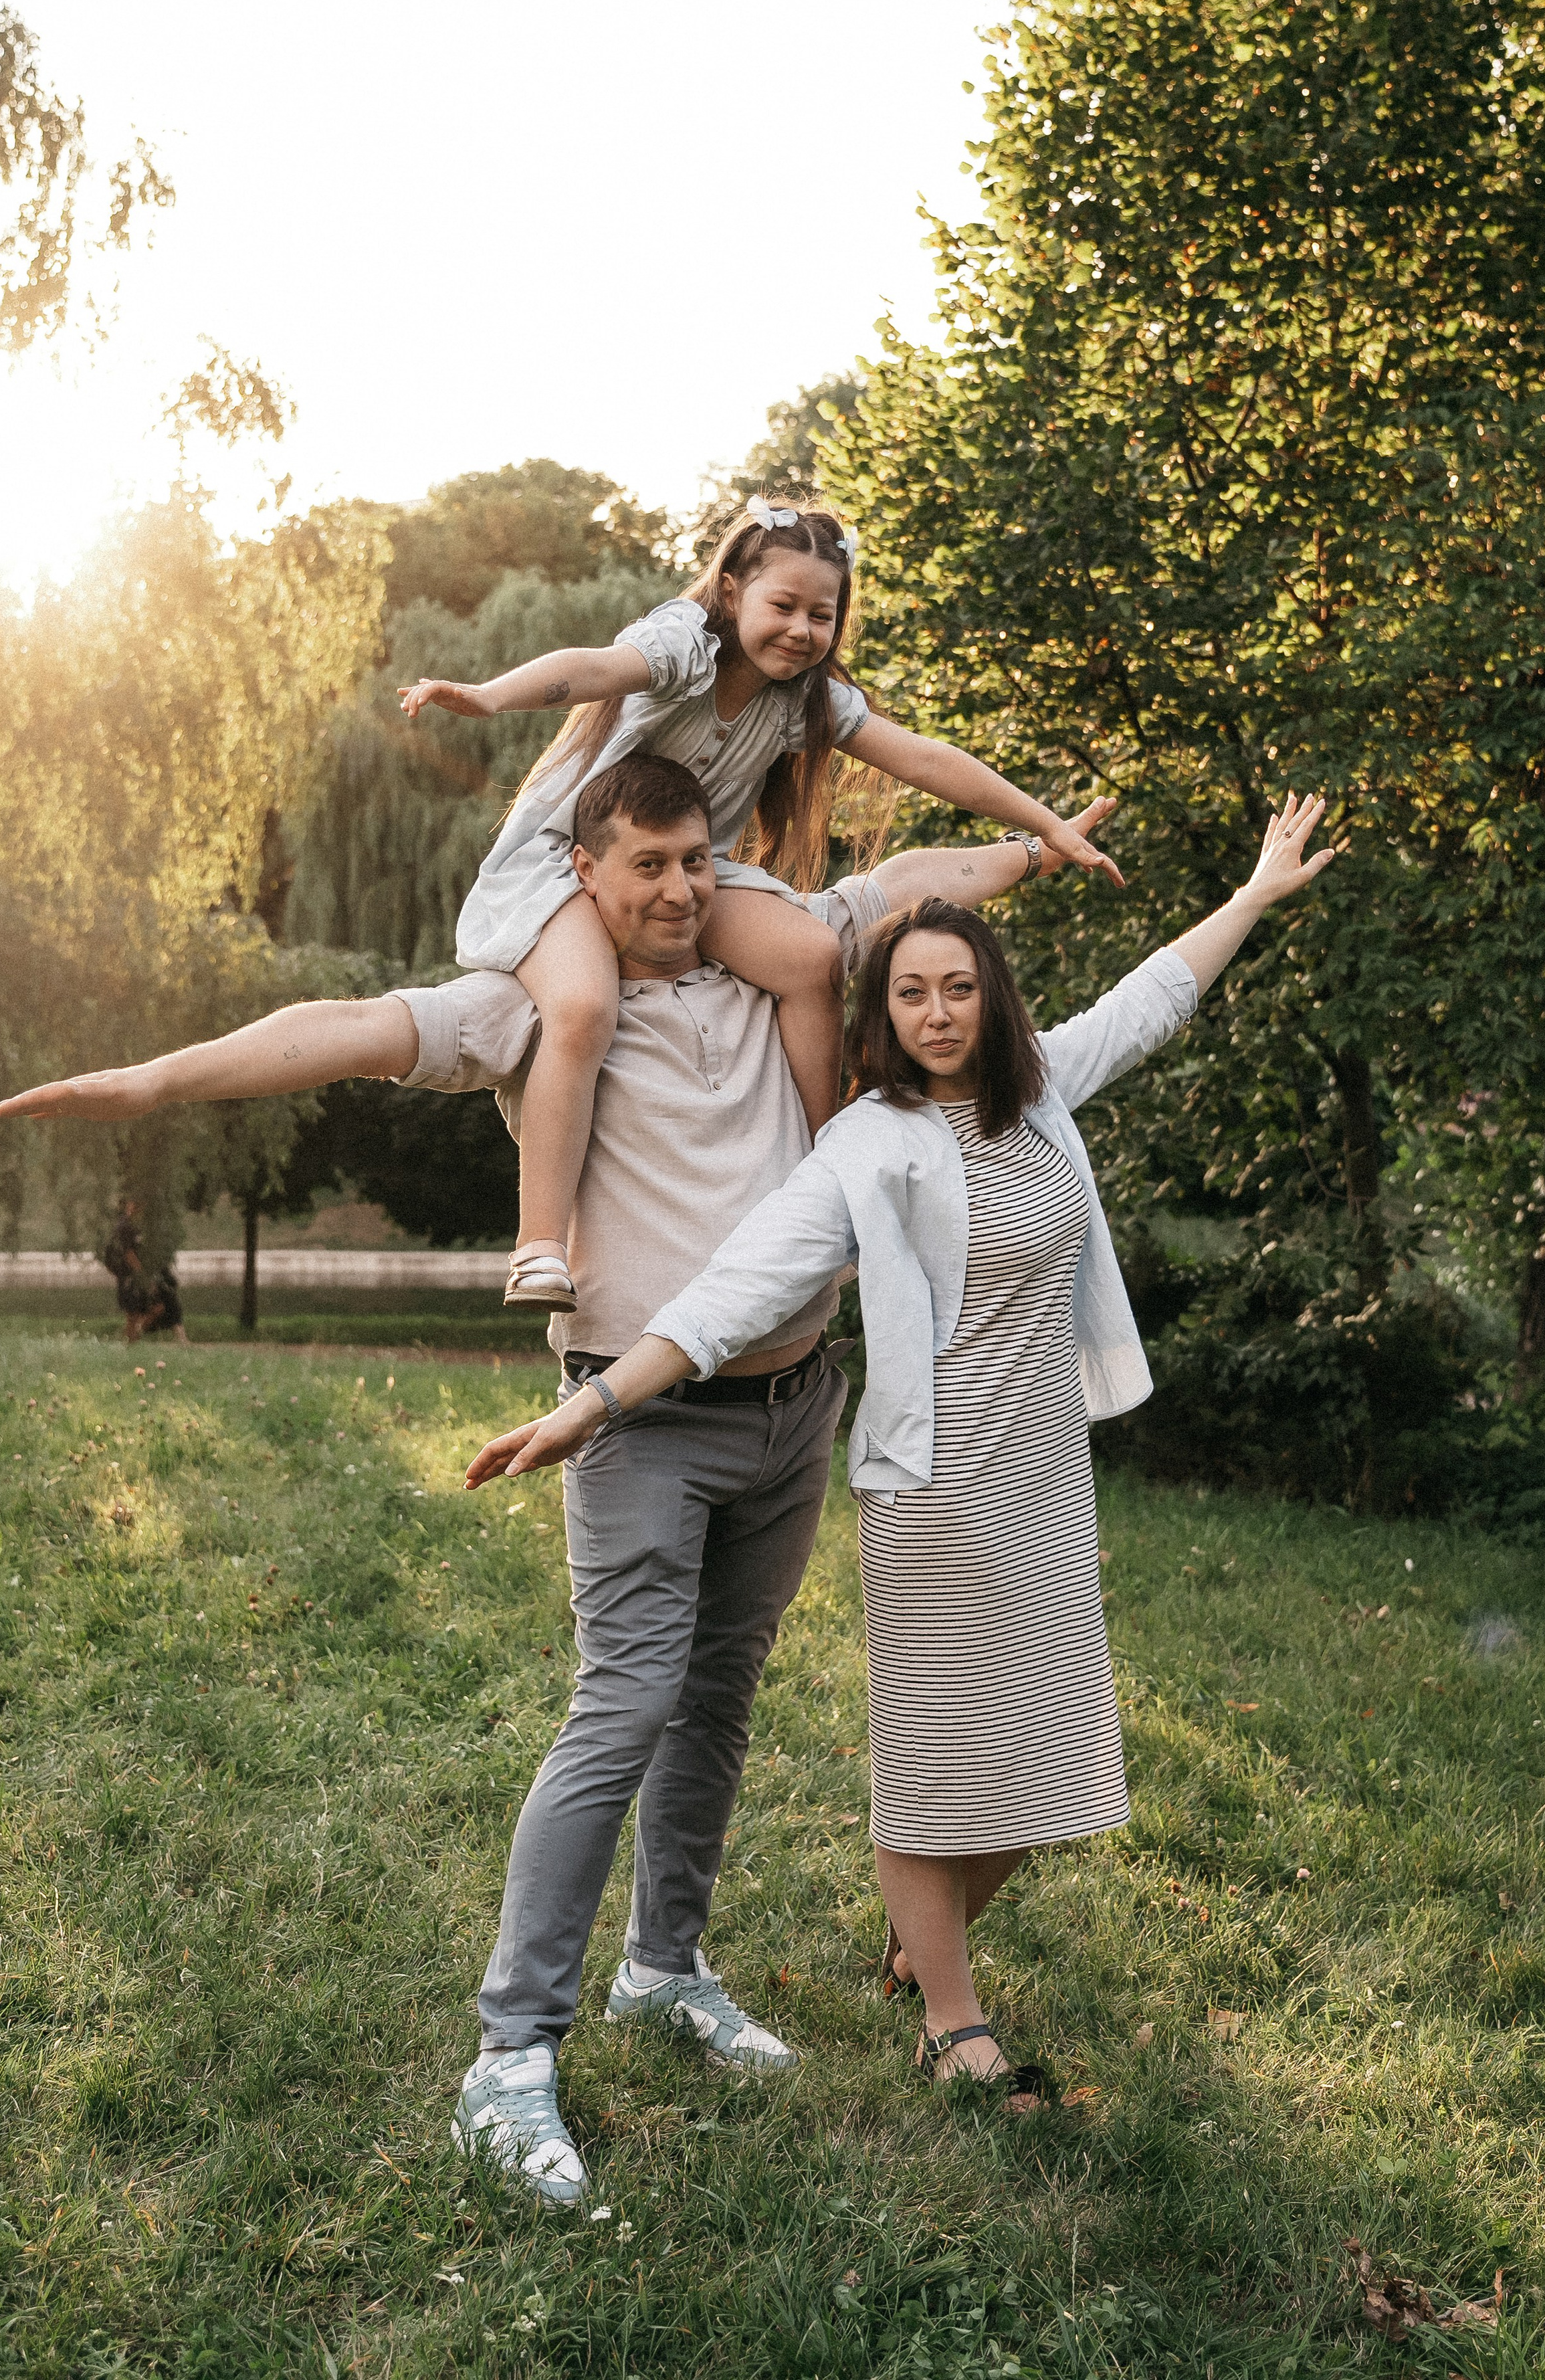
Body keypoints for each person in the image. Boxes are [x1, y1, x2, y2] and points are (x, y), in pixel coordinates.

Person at [469, 793, 1334, 2114]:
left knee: (1052, 1764)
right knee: (938, 1764)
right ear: (882, 1016)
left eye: (958, 987)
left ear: (990, 1000)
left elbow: (1156, 994)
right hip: (932, 1490)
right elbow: (732, 1291)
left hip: (1041, 1477)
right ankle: (948, 2016)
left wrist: (1258, 890)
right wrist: (597, 1405)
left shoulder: (1042, 1102)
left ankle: (912, 1943)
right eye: (911, 992)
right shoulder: (867, 1145)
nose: (937, 1011)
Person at [0, 500, 1121, 1316]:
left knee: (814, 959)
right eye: (784, 607)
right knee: (577, 1013)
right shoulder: (683, 648)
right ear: (734, 591)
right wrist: (484, 695)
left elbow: (924, 781)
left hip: (697, 872)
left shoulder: (804, 709)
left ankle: (830, 1175)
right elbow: (587, 668)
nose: (802, 632)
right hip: (554, 864)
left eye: (824, 617)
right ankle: (540, 1241)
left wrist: (1043, 833)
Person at [101, 1200, 187, 1345]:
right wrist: (142, 1274)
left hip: (141, 1275)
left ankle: (132, 1338)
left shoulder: (144, 1226)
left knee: (156, 1306)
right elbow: (129, 1254)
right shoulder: (126, 1227)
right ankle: (130, 1340)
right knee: (134, 1313)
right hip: (131, 1276)